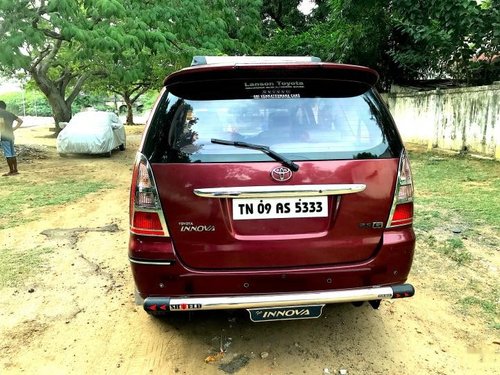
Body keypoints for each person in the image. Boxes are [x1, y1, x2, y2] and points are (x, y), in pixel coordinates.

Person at [0, 100, 23, 176]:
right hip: (11, 135)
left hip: (4, 135)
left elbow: (1, 125)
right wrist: (14, 128)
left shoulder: (0, 114)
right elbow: (20, 121)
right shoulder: (10, 114)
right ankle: (15, 170)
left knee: (8, 154)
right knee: (12, 153)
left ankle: (11, 171)